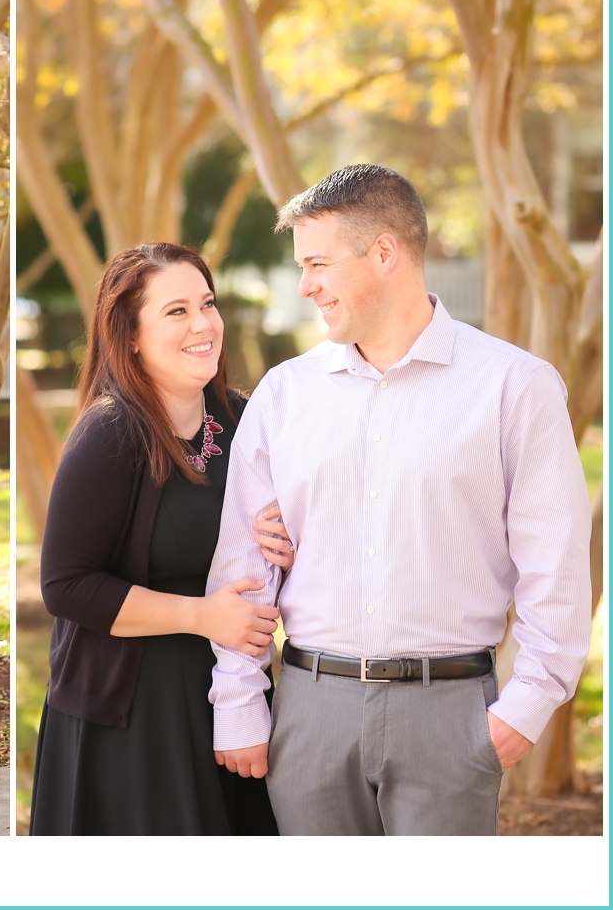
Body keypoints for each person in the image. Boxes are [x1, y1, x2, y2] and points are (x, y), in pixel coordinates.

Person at [206, 164, 592, 835]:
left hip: (451, 716)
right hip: (310, 713)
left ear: (384, 252)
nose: (306, 286)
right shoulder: (283, 395)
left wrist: (523, 709)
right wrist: (238, 701)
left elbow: (554, 565)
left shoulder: (513, 386)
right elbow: (244, 560)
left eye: (318, 263)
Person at [29, 242, 295, 835]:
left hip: (233, 695)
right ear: (130, 336)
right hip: (131, 716)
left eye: (207, 303)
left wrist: (287, 538)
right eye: (176, 311)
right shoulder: (111, 433)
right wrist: (203, 617)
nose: (203, 324)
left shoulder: (242, 420)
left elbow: (283, 532)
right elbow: (66, 586)